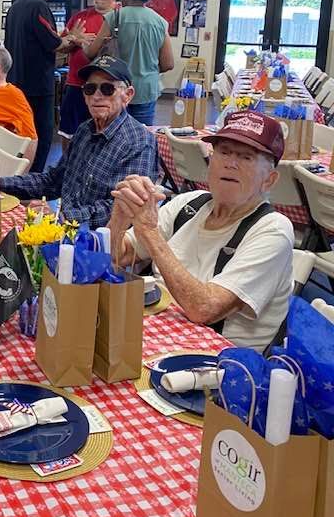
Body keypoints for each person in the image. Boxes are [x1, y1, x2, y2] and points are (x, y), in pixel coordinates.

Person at [109, 110, 294, 352]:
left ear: (269, 180)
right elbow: (117, 257)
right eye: (224, 152)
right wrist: (120, 217)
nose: (230, 163)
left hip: (215, 365)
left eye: (246, 157)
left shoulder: (273, 230)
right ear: (210, 161)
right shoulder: (190, 204)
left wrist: (150, 233)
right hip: (156, 333)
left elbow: (205, 309)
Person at [0, 56, 158, 226]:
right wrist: (0, 182)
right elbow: (54, 181)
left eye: (107, 88)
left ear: (128, 95)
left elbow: (122, 209)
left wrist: (61, 217)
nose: (97, 96)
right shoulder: (84, 130)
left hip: (101, 242)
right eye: (90, 89)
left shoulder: (139, 142)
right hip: (64, 231)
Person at [4, 0, 85, 172]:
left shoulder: (14, 8)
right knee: (41, 135)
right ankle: (34, 181)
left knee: (19, 135)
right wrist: (75, 39)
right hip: (37, 86)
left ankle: (17, 176)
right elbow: (55, 44)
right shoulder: (39, 7)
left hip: (16, 83)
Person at [83, 0, 173, 126]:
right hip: (146, 89)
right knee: (142, 135)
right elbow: (168, 63)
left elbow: (91, 53)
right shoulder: (160, 22)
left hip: (115, 87)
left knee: (112, 133)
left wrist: (83, 44)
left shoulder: (115, 17)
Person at [59, 0, 120, 146]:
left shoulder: (120, 18)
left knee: (103, 132)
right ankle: (68, 168)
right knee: (69, 132)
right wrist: (73, 39)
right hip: (76, 85)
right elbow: (61, 48)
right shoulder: (80, 17)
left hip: (107, 88)